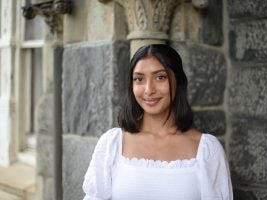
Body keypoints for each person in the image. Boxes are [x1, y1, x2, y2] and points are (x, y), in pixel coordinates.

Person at [82, 44, 233, 200]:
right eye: (139, 79)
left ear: (178, 82)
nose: (149, 90)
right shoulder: (111, 145)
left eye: (160, 77)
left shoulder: (207, 150)